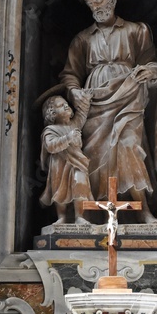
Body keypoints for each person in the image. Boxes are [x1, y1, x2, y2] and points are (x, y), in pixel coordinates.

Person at [60, 0, 157, 220]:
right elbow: (70, 74)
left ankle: (143, 211)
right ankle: (88, 214)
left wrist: (150, 71)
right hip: (94, 101)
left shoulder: (137, 30)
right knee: (92, 153)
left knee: (129, 147)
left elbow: (153, 65)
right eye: (90, 3)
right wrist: (75, 91)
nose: (95, 7)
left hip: (129, 95)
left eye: (98, 0)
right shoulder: (83, 38)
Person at [39, 93, 92, 224]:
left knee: (80, 185)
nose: (66, 106)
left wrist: (86, 101)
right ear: (52, 113)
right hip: (59, 165)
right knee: (59, 191)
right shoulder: (50, 130)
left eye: (67, 104)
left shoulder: (74, 125)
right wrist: (68, 138)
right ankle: (61, 217)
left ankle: (80, 216)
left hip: (78, 163)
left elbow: (82, 115)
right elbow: (51, 146)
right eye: (61, 106)